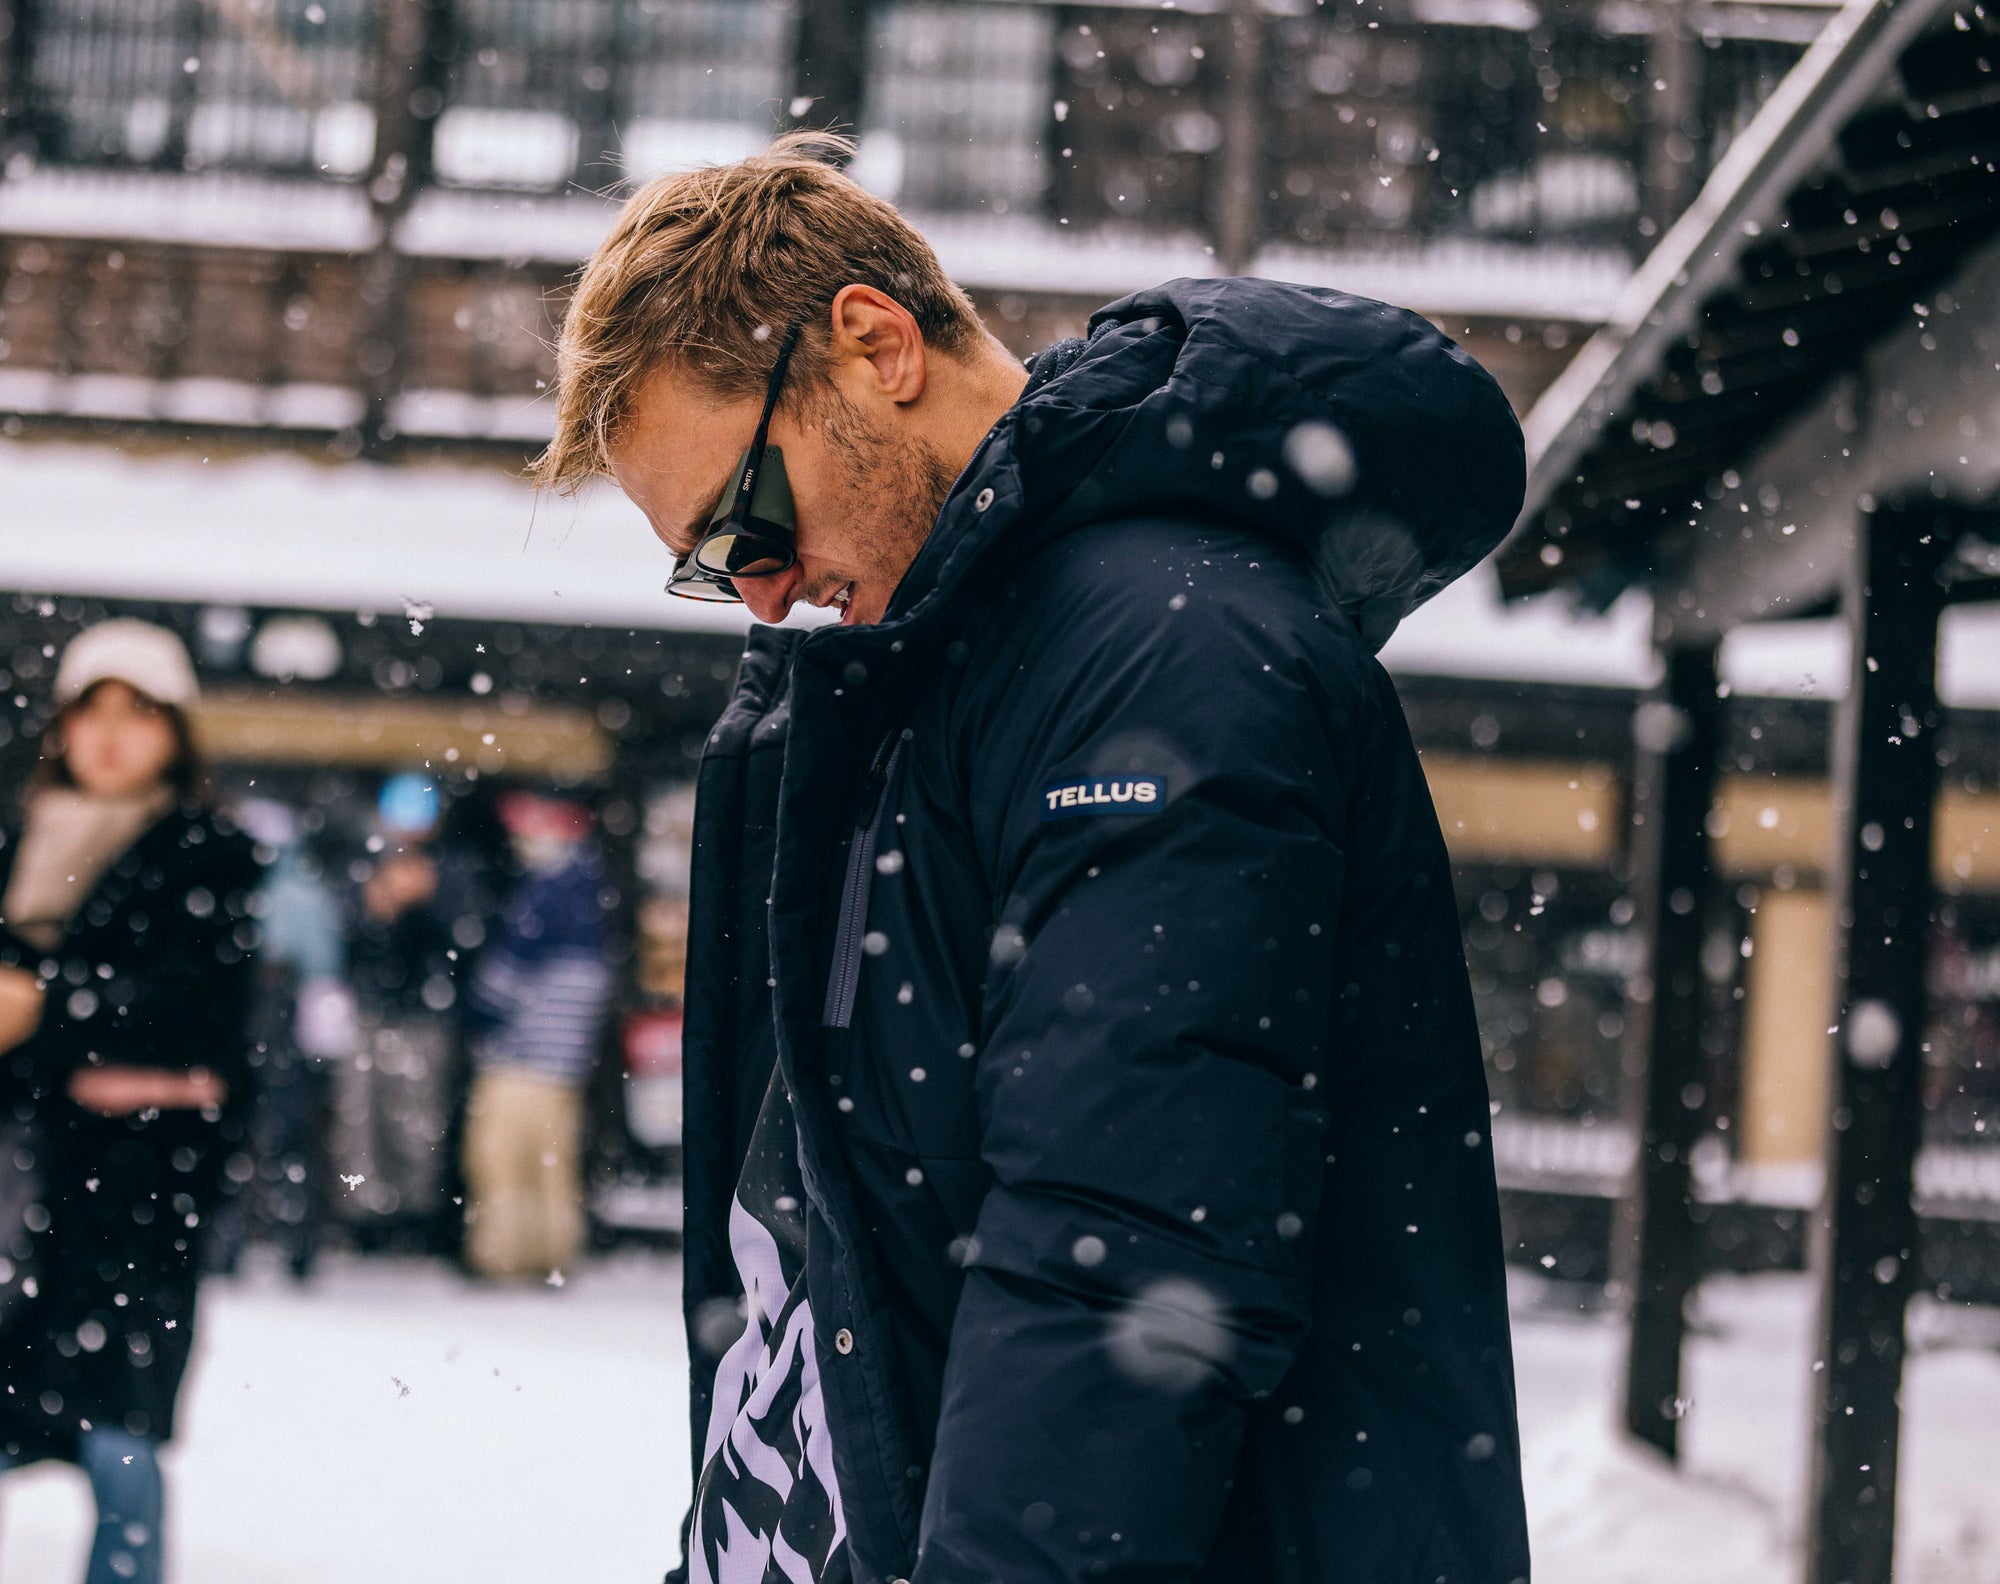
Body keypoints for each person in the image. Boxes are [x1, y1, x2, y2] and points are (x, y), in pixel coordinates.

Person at [536, 134, 1533, 1584]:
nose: (760, 595)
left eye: (749, 518)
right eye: (709, 564)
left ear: (876, 345)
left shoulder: (1159, 657)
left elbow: (1119, 1255)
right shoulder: (954, 671)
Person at [0, 618, 260, 1584]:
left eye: (138, 713)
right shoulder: (18, 839)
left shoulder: (209, 852)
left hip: (139, 1181)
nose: (109, 736)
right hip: (22, 1178)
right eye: (91, 711)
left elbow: (195, 1009)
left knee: (121, 1421)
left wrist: (45, 1003)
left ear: (175, 733)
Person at [460, 791, 613, 1279]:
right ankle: (554, 1254)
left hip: (520, 1059)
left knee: (502, 1163)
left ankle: (505, 1255)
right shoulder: (593, 895)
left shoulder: (545, 894)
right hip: (564, 1065)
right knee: (552, 1165)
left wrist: (478, 1016)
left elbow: (502, 980)